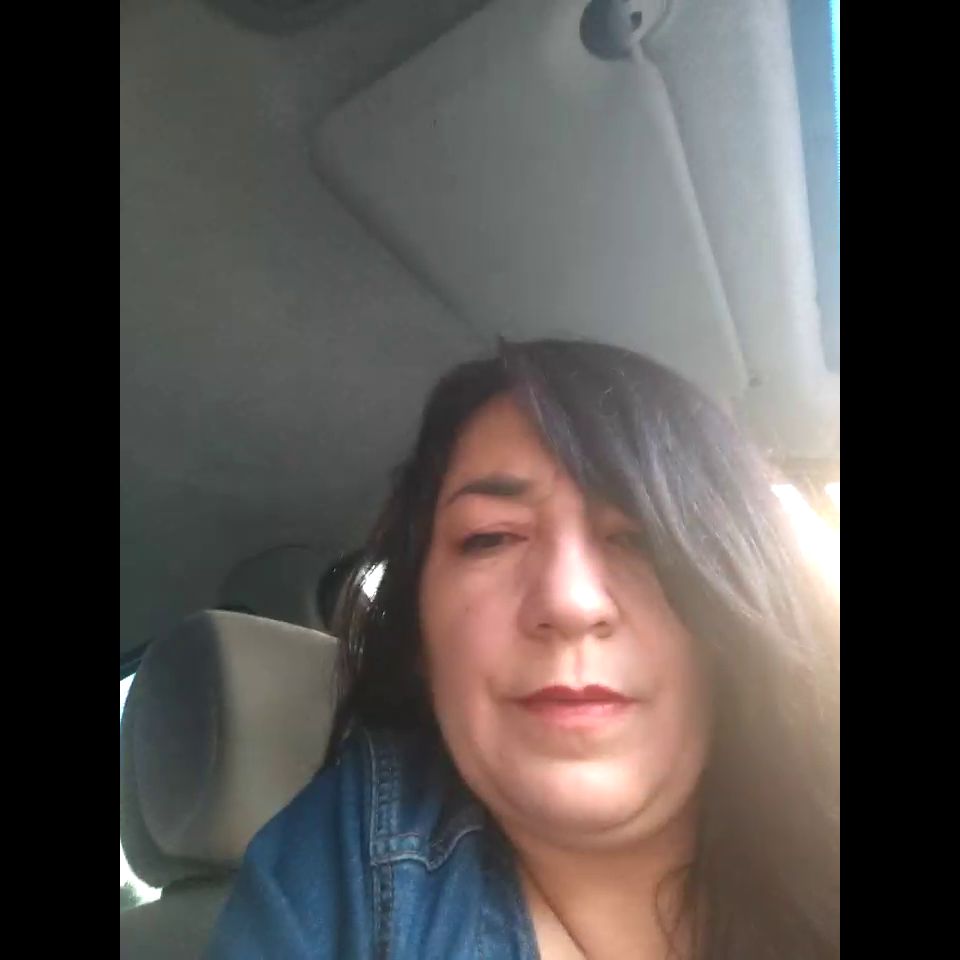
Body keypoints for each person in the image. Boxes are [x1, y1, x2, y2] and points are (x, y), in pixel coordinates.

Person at [207, 339, 840, 959]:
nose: (570, 602)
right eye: (490, 538)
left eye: (641, 538)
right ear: (421, 637)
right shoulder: (351, 857)